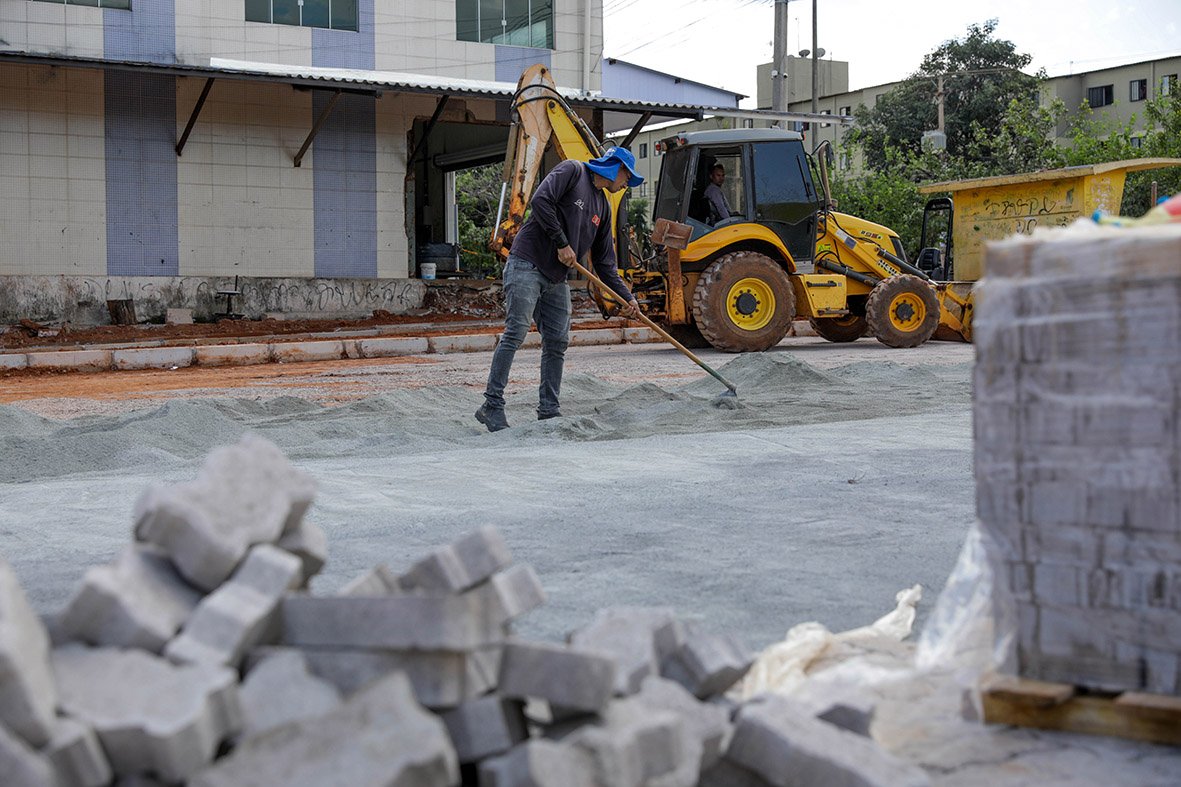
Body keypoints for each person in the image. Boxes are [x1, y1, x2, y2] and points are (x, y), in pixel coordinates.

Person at [475, 147, 644, 432]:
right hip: (527, 264)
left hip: (555, 278)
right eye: (628, 177)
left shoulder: (603, 207)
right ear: (616, 168)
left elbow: (604, 264)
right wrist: (562, 242)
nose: (627, 184)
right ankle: (492, 405)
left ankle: (549, 410)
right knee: (515, 332)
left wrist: (627, 298)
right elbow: (541, 201)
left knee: (557, 341)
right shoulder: (572, 171)